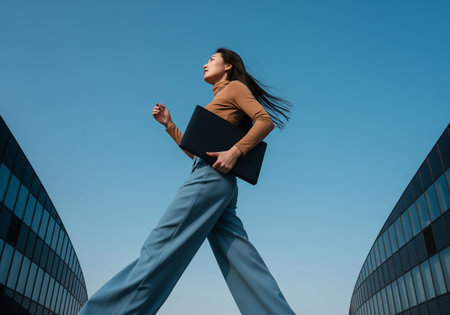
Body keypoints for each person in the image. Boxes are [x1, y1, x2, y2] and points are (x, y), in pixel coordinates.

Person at [78, 47, 295, 315]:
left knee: (160, 248)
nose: (205, 64)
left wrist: (235, 151)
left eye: (212, 60)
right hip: (219, 182)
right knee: (243, 264)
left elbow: (265, 121)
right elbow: (195, 151)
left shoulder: (235, 88)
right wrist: (169, 125)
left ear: (228, 66)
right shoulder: (218, 100)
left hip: (209, 178)